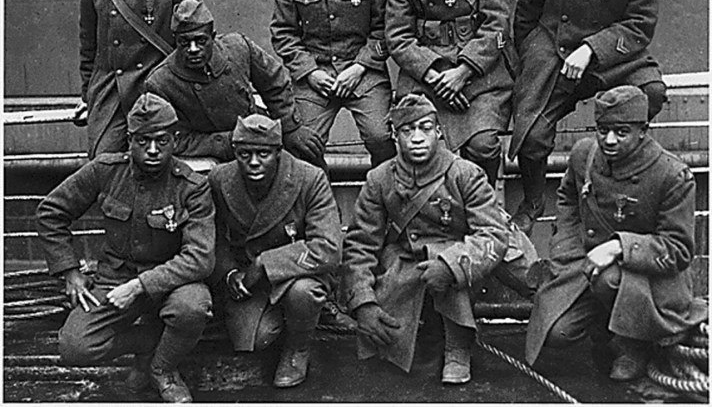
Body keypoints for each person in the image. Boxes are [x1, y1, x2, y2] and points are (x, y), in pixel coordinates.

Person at [509, 0, 667, 235]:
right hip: (555, 51)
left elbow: (639, 26)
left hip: (612, 57)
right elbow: (526, 12)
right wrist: (533, 57)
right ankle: (532, 201)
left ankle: (618, 176)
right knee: (532, 135)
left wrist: (591, 49)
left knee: (652, 92)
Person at [36, 93, 216, 403]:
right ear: (130, 140)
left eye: (162, 141)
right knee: (75, 347)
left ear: (175, 140)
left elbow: (200, 258)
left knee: (192, 307)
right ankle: (148, 344)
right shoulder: (105, 170)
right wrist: (70, 271)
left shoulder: (192, 187)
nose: (153, 150)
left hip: (172, 282)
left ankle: (163, 369)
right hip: (114, 278)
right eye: (143, 141)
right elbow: (51, 212)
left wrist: (138, 286)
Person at [525, 86, 706, 381]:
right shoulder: (584, 155)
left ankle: (633, 345)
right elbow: (568, 197)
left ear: (642, 131)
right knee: (556, 333)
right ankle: (606, 328)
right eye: (603, 130)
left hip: (649, 280)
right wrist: (565, 247)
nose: (609, 140)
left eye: (621, 132)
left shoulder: (672, 175)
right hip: (587, 264)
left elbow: (679, 249)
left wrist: (619, 247)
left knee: (609, 279)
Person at [342, 94, 510, 383]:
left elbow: (493, 234)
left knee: (449, 261)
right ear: (395, 136)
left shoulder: (465, 173)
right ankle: (419, 334)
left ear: (439, 132)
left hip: (459, 260)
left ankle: (458, 345)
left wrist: (450, 266)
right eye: (407, 130)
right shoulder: (380, 179)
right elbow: (360, 244)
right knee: (388, 352)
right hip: (406, 261)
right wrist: (363, 302)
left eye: (425, 128)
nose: (417, 138)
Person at [385, 0, 514, 188]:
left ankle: (482, 202)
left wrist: (463, 71)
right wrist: (436, 76)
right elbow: (397, 36)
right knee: (417, 145)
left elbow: (497, 24)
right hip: (427, 77)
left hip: (479, 75)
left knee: (483, 146)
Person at [208, 114, 342, 388]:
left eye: (263, 154)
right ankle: (281, 322)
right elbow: (213, 238)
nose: (254, 162)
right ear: (235, 152)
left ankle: (298, 346)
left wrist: (265, 264)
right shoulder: (220, 179)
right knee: (256, 339)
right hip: (248, 281)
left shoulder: (309, 178)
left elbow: (328, 248)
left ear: (279, 152)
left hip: (298, 274)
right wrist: (229, 273)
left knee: (303, 293)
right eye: (245, 154)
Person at [270, 0, 396, 169]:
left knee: (381, 136)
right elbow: (283, 33)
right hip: (316, 74)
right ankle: (319, 193)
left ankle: (384, 192)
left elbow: (385, 30)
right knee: (302, 143)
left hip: (363, 73)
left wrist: (359, 67)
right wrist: (310, 72)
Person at [76, 0, 201, 159]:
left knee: (162, 157)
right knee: (104, 162)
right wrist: (88, 97)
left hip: (160, 90)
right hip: (112, 93)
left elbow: (198, 37)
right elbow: (89, 49)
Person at [145, 0, 324, 166]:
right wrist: (229, 141)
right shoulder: (160, 82)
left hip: (257, 134)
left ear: (213, 36)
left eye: (200, 41)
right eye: (184, 42)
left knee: (307, 154)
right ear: (175, 40)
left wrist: (289, 127)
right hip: (210, 153)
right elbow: (175, 140)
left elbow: (275, 82)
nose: (193, 49)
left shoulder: (238, 48)